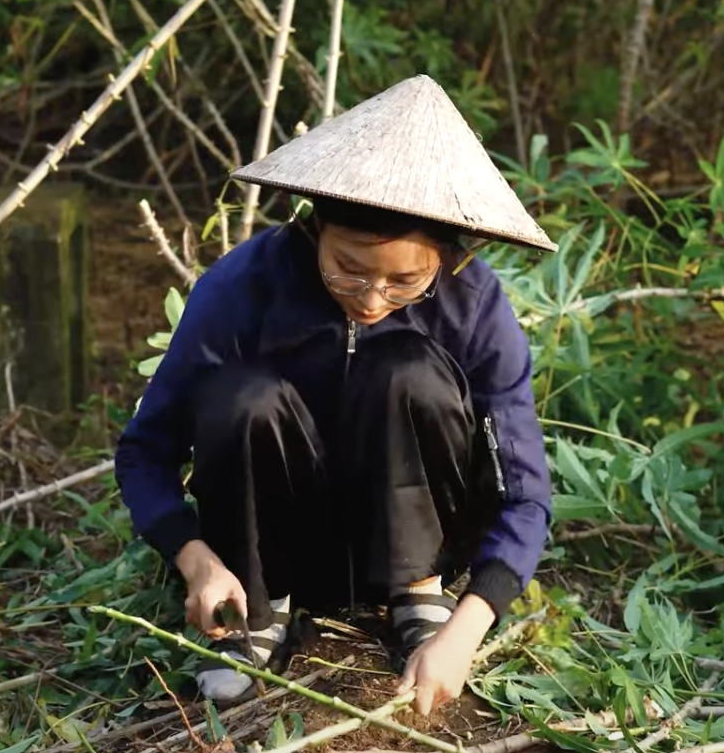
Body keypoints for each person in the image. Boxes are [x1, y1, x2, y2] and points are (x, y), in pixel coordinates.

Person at [114, 76, 555, 713]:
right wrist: (196, 557)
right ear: (313, 225)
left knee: (408, 369)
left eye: (406, 281)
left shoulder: (475, 306)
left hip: (420, 538)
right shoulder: (242, 286)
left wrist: (469, 623)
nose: (373, 299)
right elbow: (145, 450)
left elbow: (526, 492)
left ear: (450, 255)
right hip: (268, 545)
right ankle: (260, 608)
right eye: (347, 268)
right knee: (245, 393)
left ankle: (417, 593)